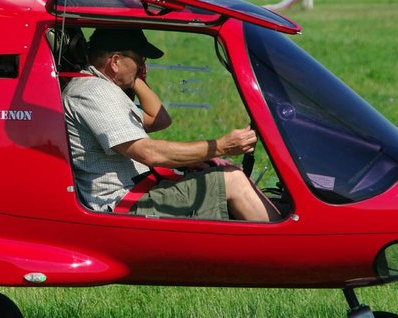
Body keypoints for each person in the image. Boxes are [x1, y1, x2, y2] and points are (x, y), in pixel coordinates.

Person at [62, 28, 280, 222]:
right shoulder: (92, 94)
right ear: (115, 61)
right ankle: (286, 250)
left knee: (222, 170)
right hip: (123, 205)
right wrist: (221, 146)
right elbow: (147, 153)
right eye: (140, 60)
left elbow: (158, 119)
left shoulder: (105, 89)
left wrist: (134, 76)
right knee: (233, 181)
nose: (143, 66)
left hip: (141, 190)